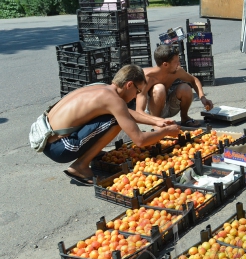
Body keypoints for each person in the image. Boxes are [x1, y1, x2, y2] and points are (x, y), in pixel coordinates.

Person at [42, 65, 181, 185]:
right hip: (61, 147)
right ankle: (80, 166)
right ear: (129, 85)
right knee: (115, 121)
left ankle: (88, 154)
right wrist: (166, 131)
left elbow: (124, 112)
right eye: (137, 92)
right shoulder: (113, 100)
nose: (135, 96)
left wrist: (156, 121)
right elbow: (140, 140)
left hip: (52, 140)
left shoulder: (103, 88)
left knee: (116, 116)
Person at [136, 44, 214, 126]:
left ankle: (185, 118)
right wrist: (155, 120)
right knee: (159, 88)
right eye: (176, 62)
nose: (179, 64)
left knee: (185, 87)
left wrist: (202, 97)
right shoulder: (147, 77)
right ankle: (157, 124)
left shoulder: (177, 70)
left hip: (169, 106)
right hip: (152, 112)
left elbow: (194, 80)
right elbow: (139, 111)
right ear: (165, 64)